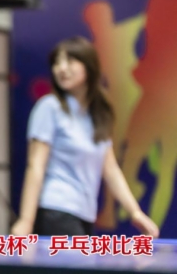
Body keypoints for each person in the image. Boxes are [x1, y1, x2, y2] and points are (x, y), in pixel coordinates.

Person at [11, 36, 159, 237]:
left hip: (84, 214)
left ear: (89, 66)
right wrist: (26, 221)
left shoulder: (96, 116)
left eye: (70, 61)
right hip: (56, 210)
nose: (61, 68)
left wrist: (135, 212)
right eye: (57, 62)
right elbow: (36, 165)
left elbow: (111, 169)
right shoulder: (49, 107)